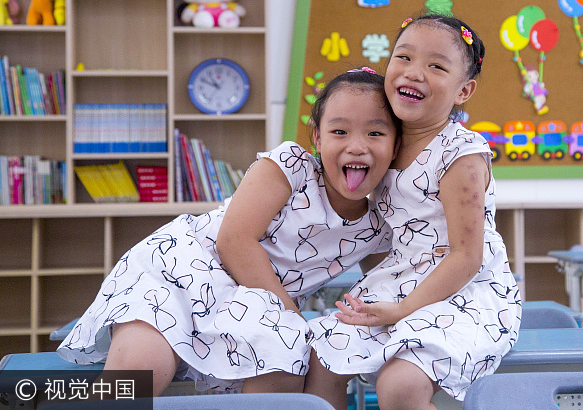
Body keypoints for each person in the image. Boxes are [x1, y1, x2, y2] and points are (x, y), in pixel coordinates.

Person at [57, 68, 400, 396]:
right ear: (317, 138)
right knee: (140, 368)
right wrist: (291, 317)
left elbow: (386, 287)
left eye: (375, 133)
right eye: (339, 132)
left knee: (285, 363)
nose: (357, 146)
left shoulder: (378, 228)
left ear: (397, 145)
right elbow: (233, 241)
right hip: (183, 271)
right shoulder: (291, 166)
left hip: (254, 305)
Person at [305, 14, 521, 409]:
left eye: (436, 66)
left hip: (465, 291)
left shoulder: (461, 154)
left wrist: (402, 311)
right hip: (401, 279)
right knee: (320, 358)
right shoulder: (384, 140)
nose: (414, 72)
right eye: (403, 57)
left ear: (464, 91)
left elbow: (468, 258)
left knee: (400, 385)